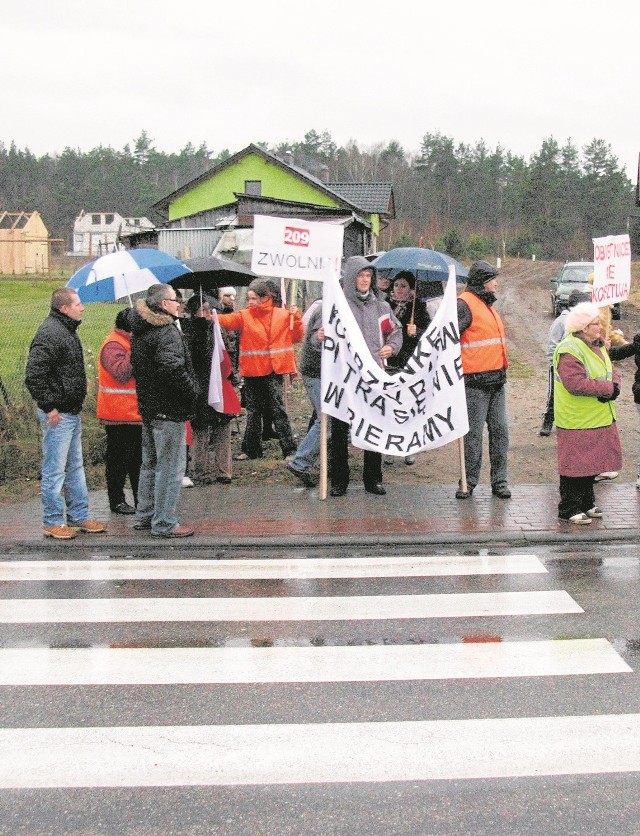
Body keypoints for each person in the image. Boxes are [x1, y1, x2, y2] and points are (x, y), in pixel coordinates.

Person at [25, 288, 106, 540]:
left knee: (74, 467)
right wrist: (49, 407)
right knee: (55, 469)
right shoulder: (51, 333)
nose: (82, 308)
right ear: (64, 308)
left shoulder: (66, 331)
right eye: (78, 304)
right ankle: (52, 520)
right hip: (58, 414)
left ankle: (79, 516)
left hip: (71, 411)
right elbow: (34, 376)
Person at [130, 283, 199, 537]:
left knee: (149, 464)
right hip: (169, 408)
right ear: (163, 304)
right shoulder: (166, 331)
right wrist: (192, 389)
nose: (179, 303)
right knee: (170, 468)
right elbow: (171, 368)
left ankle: (145, 515)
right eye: (174, 299)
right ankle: (165, 522)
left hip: (149, 406)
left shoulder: (140, 330)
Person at [329, 256, 402, 497]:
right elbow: (316, 340)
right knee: (339, 431)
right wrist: (319, 338)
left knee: (374, 427)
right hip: (344, 380)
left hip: (373, 378)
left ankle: (373, 479)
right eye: (361, 275)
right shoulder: (336, 306)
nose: (365, 280)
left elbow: (396, 331)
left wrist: (392, 347)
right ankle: (339, 480)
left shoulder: (381, 307)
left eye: (369, 276)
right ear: (351, 277)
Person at [217, 279, 303, 461]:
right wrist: (211, 316)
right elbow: (227, 321)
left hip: (273, 370)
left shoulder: (283, 315)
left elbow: (296, 337)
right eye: (249, 298)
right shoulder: (245, 315)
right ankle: (251, 449)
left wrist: (297, 318)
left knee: (277, 410)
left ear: (265, 298)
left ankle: (289, 450)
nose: (249, 302)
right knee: (254, 411)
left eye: (253, 298)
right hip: (252, 372)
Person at [553, 301, 622, 524]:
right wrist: (609, 389)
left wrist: (614, 385)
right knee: (574, 465)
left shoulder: (597, 344)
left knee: (591, 464)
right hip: (576, 418)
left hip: (597, 416)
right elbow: (575, 384)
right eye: (595, 324)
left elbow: (610, 369)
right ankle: (569, 507)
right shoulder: (569, 349)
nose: (600, 327)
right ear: (583, 328)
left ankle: (586, 502)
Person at [455, 260, 511, 500]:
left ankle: (499, 481)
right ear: (482, 281)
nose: (496, 283)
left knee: (500, 433)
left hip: (496, 382)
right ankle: (468, 482)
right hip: (475, 384)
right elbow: (448, 341)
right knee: (473, 437)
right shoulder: (465, 304)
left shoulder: (487, 305)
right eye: (493, 279)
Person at [183, 293, 241, 485]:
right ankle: (200, 470)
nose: (208, 313)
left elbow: (225, 353)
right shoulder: (189, 333)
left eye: (210, 309)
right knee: (200, 430)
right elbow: (194, 359)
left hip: (219, 384)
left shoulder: (216, 328)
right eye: (204, 309)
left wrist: (231, 374)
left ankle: (224, 470)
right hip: (200, 386)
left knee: (222, 427)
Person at [97, 308, 142, 514]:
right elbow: (121, 373)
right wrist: (135, 348)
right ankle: (116, 501)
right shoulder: (113, 344)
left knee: (137, 462)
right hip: (118, 415)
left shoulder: (124, 342)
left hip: (133, 413)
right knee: (118, 462)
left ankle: (140, 501)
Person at [386, 271, 430, 466]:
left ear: (411, 289)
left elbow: (430, 336)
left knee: (408, 406)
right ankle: (389, 447)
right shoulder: (385, 306)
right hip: (389, 362)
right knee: (389, 406)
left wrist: (417, 331)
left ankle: (409, 447)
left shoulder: (419, 309)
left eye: (403, 286)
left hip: (410, 362)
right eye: (396, 285)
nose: (398, 289)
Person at [539, 289, 591, 437]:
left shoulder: (584, 323)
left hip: (578, 366)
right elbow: (553, 344)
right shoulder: (561, 322)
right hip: (558, 367)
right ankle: (548, 420)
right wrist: (554, 363)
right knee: (554, 395)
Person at [285, 302, 325, 487]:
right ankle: (300, 462)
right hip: (316, 371)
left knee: (322, 418)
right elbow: (313, 339)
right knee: (325, 419)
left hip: (325, 372)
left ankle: (311, 460)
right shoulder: (325, 309)